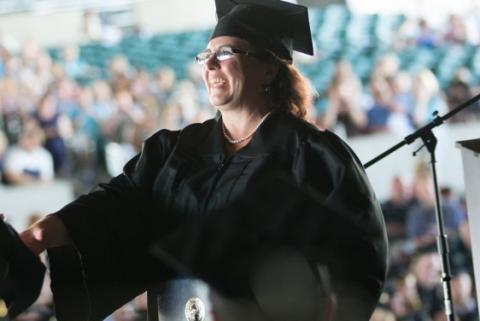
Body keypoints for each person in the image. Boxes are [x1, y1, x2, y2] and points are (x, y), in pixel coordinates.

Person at [7, 0, 387, 320]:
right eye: (206, 55)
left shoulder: (315, 156)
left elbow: (357, 259)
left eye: (225, 53)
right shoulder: (174, 151)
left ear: (268, 68)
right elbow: (111, 207)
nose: (209, 65)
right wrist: (40, 235)